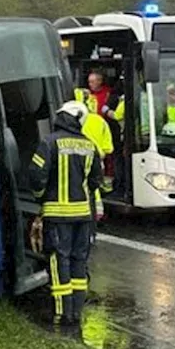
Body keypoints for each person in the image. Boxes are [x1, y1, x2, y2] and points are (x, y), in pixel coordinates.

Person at [28, 100, 103, 330]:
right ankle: (77, 313)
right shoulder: (90, 146)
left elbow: (36, 174)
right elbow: (95, 182)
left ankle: (62, 315)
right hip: (83, 216)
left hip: (57, 216)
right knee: (79, 263)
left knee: (58, 262)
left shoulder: (49, 143)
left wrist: (40, 197)